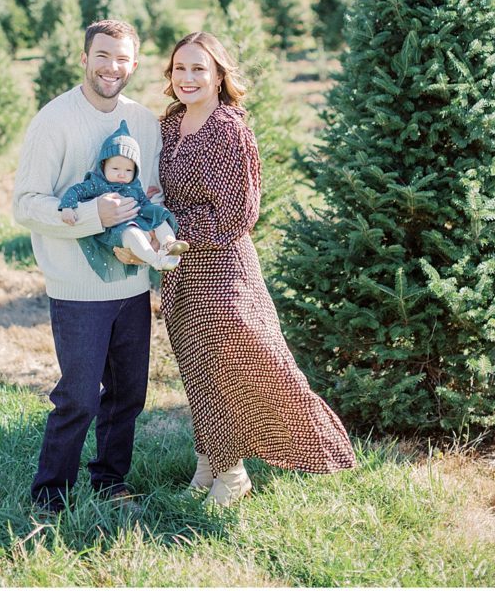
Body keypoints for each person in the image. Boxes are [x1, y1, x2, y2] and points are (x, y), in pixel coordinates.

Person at [116, 31, 356, 507]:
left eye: (199, 69)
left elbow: (238, 213)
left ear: (219, 75)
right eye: (180, 68)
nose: (188, 77)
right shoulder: (171, 124)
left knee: (236, 363)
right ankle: (210, 464)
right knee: (198, 368)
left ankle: (236, 474)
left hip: (223, 267)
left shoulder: (230, 129)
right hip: (179, 268)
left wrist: (170, 228)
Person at [13, 18, 161, 513]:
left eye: (122, 59)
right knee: (79, 395)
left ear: (134, 64)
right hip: (76, 288)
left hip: (133, 283)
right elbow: (26, 204)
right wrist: (90, 216)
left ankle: (109, 479)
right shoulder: (54, 120)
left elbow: (150, 191)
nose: (112, 67)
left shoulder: (144, 122)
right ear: (84, 58)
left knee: (129, 393)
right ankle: (52, 492)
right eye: (102, 56)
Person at [58, 118, 189, 273]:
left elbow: (144, 202)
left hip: (139, 219)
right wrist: (67, 207)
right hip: (119, 228)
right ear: (103, 165)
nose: (121, 174)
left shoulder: (134, 185)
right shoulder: (96, 183)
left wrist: (152, 212)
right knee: (133, 235)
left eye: (128, 171)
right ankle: (156, 261)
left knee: (159, 218)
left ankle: (169, 243)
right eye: (115, 168)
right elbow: (75, 191)